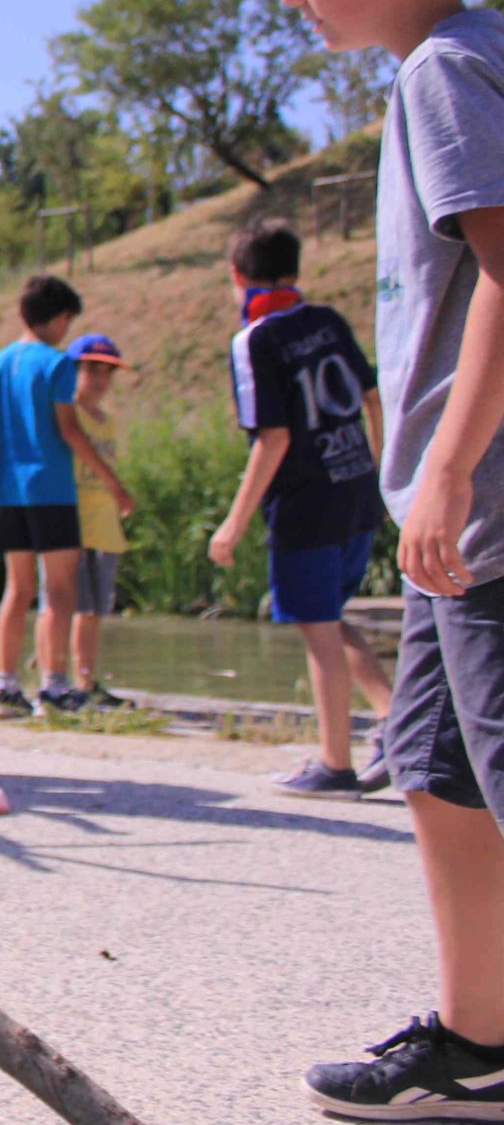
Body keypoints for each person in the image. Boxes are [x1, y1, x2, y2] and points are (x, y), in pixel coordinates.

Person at [263, 0, 504, 1125]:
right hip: (448, 508)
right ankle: (478, 1043)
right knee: (440, 771)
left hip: (489, 505)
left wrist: (460, 467)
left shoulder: (446, 66)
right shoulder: (454, 63)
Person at [208, 219, 393, 798]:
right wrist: (381, 471)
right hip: (358, 489)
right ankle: (397, 724)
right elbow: (373, 397)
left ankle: (335, 765)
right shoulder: (330, 320)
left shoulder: (254, 339)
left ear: (238, 276)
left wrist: (233, 524)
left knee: (318, 632)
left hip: (305, 503)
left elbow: (274, 438)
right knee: (331, 619)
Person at [0, 276, 132, 718]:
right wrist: (112, 481)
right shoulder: (56, 364)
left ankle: (5, 687)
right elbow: (69, 429)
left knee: (16, 588)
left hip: (8, 487)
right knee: (60, 589)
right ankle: (55, 688)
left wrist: (8, 449)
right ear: (60, 318)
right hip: (52, 488)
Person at [65, 333, 135, 710]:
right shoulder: (67, 415)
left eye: (107, 371)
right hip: (76, 522)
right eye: (92, 368)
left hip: (104, 526)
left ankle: (88, 679)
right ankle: (76, 682)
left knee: (95, 611)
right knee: (80, 607)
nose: (100, 379)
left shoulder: (105, 422)